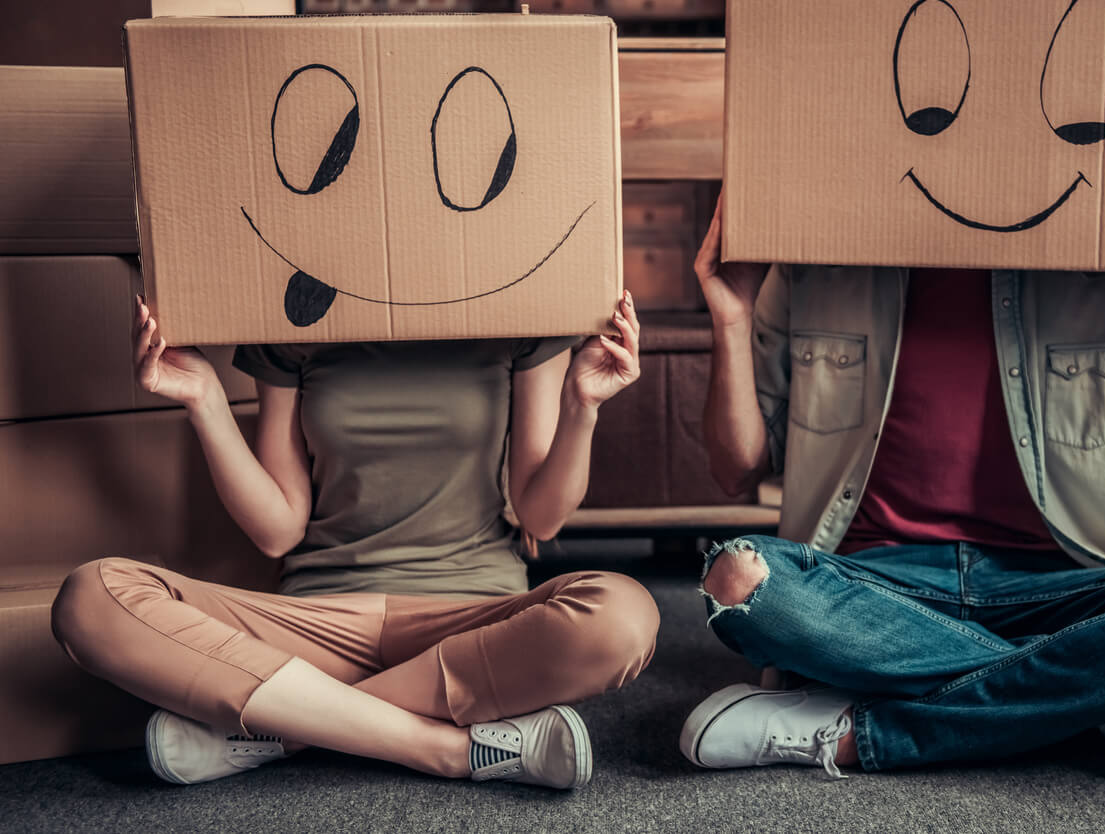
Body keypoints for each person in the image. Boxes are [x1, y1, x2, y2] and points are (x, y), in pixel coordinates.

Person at [680, 189, 1105, 780]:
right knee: (738, 583)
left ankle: (862, 733)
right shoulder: (817, 251)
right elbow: (737, 465)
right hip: (869, 588)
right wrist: (730, 317)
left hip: (1060, 591)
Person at [51, 290, 659, 790]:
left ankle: (285, 731)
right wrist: (204, 400)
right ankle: (444, 749)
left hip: (473, 627)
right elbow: (278, 530)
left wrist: (583, 407)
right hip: (314, 621)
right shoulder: (291, 317)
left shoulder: (514, 310)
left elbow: (541, 517)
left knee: (624, 617)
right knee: (92, 598)